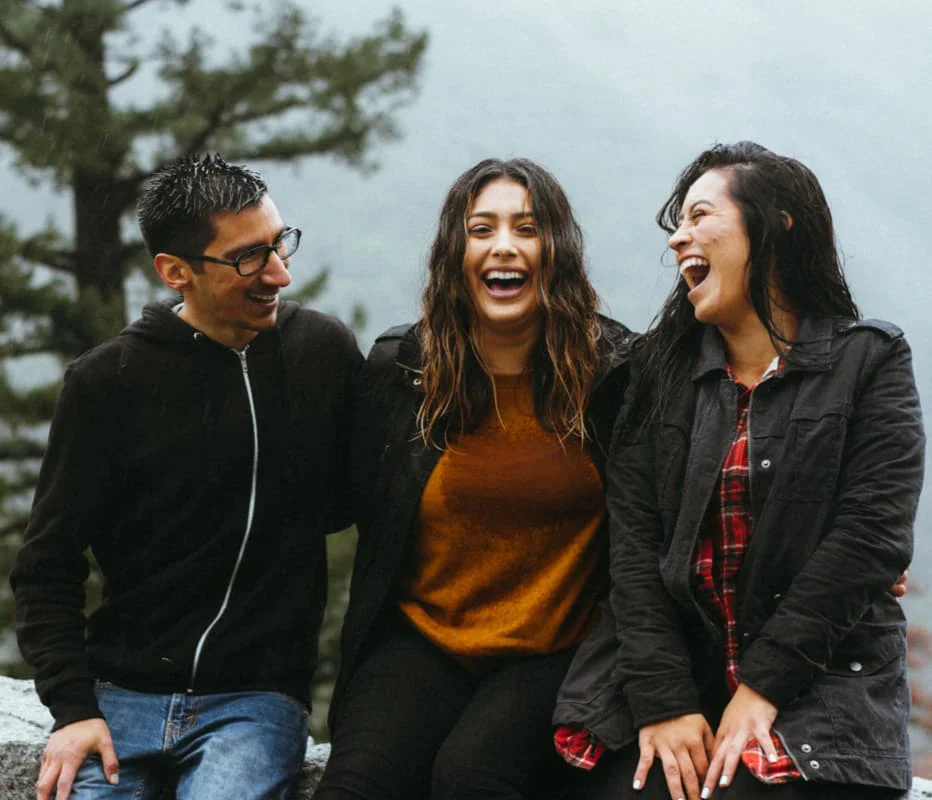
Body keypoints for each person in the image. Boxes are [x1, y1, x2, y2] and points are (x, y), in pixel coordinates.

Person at [553, 141, 925, 800]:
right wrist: (665, 702)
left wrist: (760, 690)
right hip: (681, 685)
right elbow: (633, 552)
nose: (678, 240)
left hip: (823, 692)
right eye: (677, 225)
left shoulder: (870, 361)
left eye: (699, 215)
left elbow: (869, 540)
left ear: (778, 223)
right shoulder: (655, 375)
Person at [10, 154, 362, 800]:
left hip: (255, 704)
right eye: (248, 258)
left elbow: (360, 497)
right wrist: (73, 707)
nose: (280, 272)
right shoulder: (105, 384)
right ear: (176, 272)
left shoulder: (322, 355)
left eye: (280, 243)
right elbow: (46, 566)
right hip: (118, 700)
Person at [314, 157, 635, 799]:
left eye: (527, 227)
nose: (504, 246)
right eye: (482, 228)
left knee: (470, 778)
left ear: (557, 249)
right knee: (354, 787)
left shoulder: (616, 378)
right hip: (421, 641)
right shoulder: (402, 371)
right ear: (456, 253)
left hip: (556, 651)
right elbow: (320, 499)